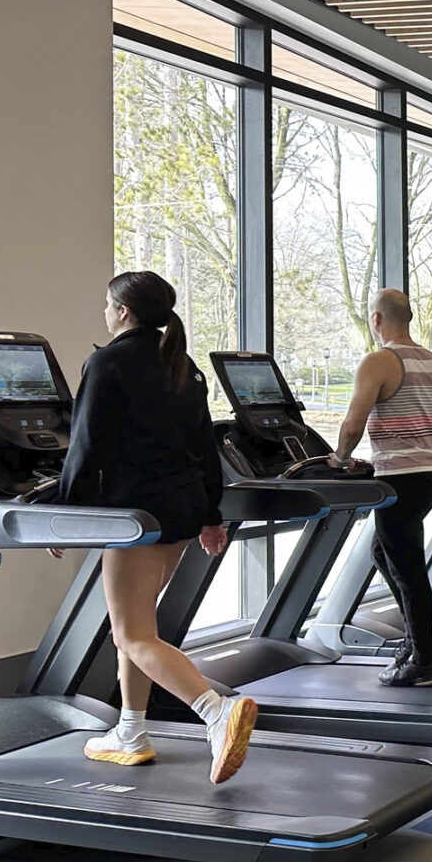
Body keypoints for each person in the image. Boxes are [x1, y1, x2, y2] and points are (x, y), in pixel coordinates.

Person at [59, 271, 256, 784]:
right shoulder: (181, 364)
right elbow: (204, 447)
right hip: (182, 509)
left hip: (137, 515)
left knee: (130, 633)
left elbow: (86, 444)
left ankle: (215, 712)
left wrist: (64, 515)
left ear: (123, 312)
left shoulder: (108, 360)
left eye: (108, 304)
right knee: (138, 628)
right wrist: (212, 514)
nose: (105, 312)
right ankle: (130, 731)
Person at [329, 289, 432, 688]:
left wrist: (340, 459)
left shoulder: (379, 360)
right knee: (383, 552)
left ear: (377, 320)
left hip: (400, 478)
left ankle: (424, 660)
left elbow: (354, 422)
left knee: (408, 568)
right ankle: (419, 643)